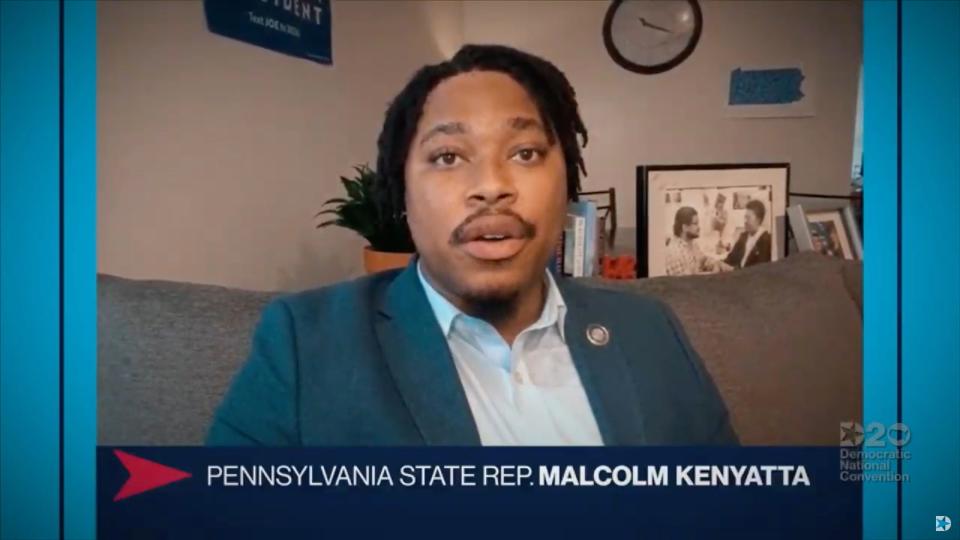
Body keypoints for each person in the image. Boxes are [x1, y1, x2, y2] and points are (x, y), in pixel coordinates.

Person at [207, 44, 736, 446]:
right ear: (402, 192)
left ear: (568, 185)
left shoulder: (651, 330)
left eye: (525, 152)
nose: (491, 184)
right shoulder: (305, 342)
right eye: (447, 156)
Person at [664, 207, 721, 276]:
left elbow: (704, 260)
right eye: (695, 224)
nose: (699, 227)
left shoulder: (693, 244)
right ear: (684, 227)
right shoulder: (674, 252)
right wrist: (711, 274)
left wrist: (713, 264)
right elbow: (683, 282)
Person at [723, 199, 772, 269]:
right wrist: (719, 264)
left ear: (758, 219)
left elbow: (759, 270)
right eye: (745, 217)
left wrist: (732, 269)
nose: (745, 221)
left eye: (748, 218)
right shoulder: (743, 236)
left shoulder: (767, 241)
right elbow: (730, 259)